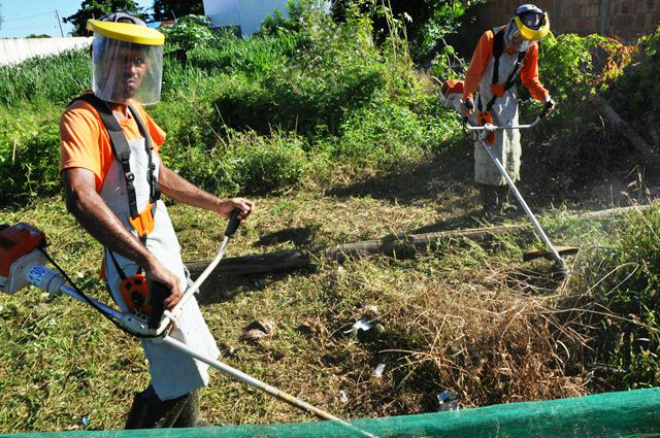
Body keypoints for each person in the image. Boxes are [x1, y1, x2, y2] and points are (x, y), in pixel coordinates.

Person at [59, 13, 254, 428]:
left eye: (138, 60)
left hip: (160, 246)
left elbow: (158, 175)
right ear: (102, 58)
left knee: (190, 354)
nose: (130, 69)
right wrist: (148, 263)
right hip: (133, 260)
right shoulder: (82, 117)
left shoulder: (134, 113)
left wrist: (217, 204)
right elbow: (79, 195)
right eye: (121, 58)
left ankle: (188, 429)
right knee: (176, 364)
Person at [461, 4, 555, 215]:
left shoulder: (530, 47)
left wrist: (545, 97)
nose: (525, 41)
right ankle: (489, 206)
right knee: (489, 155)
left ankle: (503, 203)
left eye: (531, 38)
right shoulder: (490, 39)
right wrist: (467, 97)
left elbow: (530, 79)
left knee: (510, 153)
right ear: (514, 25)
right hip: (486, 103)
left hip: (510, 106)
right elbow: (474, 72)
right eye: (523, 36)